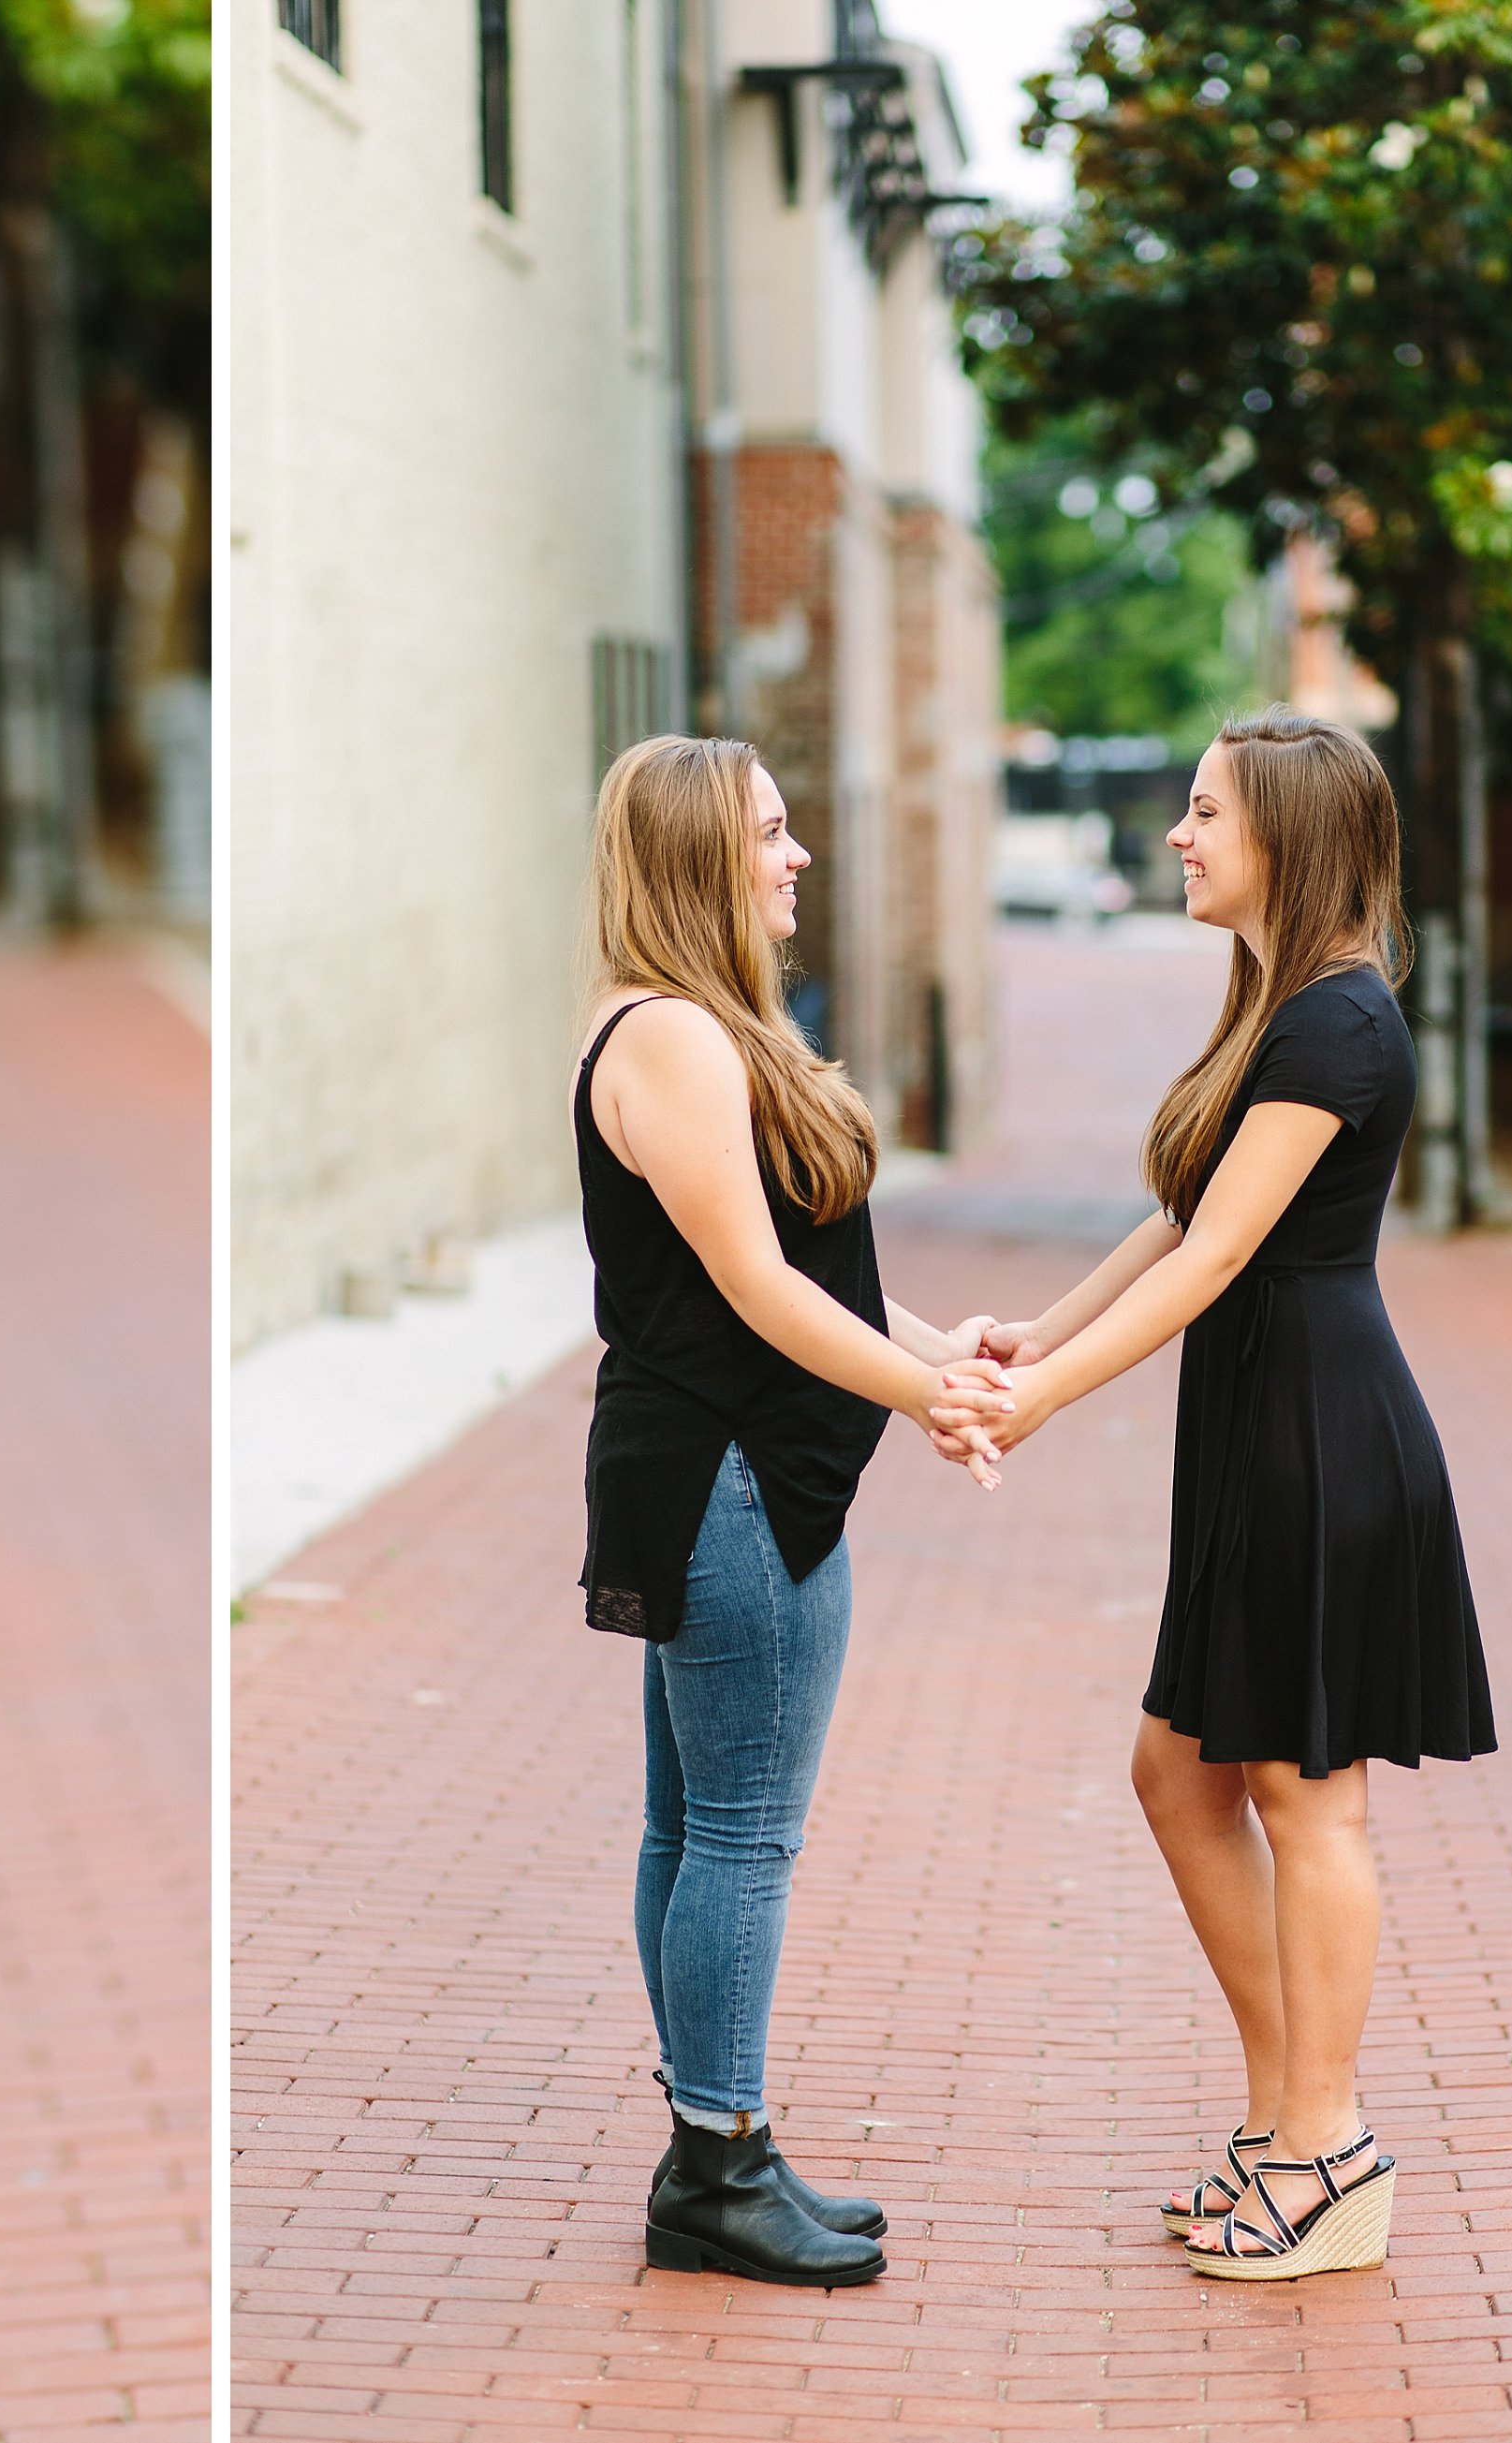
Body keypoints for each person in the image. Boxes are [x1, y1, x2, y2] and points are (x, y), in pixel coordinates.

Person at [962, 706, 1494, 2282]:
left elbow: (1216, 1256)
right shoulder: (1276, 1010)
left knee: (1302, 1794)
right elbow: (1179, 1214)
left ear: (1290, 836)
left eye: (1207, 811)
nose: (1181, 836)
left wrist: (1039, 1403)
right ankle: (1290, 2124)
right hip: (1263, 1432)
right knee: (1182, 1775)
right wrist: (1031, 1336)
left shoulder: (1337, 1023)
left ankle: (1326, 2150)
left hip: (1322, 1436)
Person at [575, 733, 1015, 2289]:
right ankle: (717, 2160)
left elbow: (801, 1272)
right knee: (739, 1835)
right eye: (769, 830)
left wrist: (933, 1346)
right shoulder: (678, 1040)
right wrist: (925, 1399)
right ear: (702, 856)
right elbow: (756, 1294)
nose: (797, 854)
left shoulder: (690, 1032)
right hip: (733, 1483)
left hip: (708, 1471)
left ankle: (721, 2148)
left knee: (694, 1826)